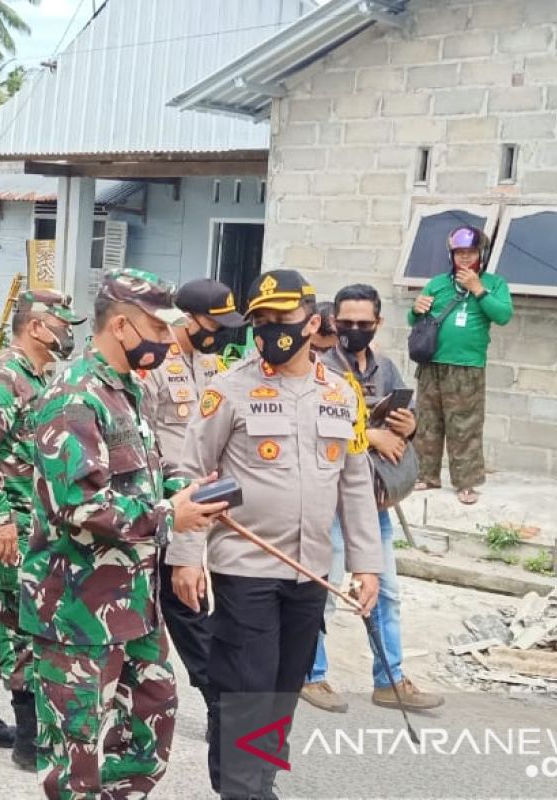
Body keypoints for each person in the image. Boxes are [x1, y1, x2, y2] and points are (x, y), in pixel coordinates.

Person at [167, 269, 382, 800]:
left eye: (279, 319)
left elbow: (355, 483)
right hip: (245, 565)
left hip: (310, 570)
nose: (268, 330)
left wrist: (366, 564)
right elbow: (195, 476)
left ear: (313, 322)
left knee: (283, 690)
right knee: (247, 686)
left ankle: (254, 779)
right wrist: (186, 556)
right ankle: (245, 790)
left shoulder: (341, 392)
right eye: (260, 320)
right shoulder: (229, 388)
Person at [22, 268, 228, 799]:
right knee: (77, 758)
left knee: (149, 735)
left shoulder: (124, 391)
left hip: (134, 606)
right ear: (121, 327)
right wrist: (168, 517)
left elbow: (145, 473)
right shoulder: (74, 398)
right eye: (158, 331)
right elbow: (78, 505)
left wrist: (189, 490)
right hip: (77, 614)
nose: (166, 341)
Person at [0, 290, 85, 770]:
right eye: (61, 324)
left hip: (17, 515)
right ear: (35, 327)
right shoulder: (0, 377)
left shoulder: (36, 375)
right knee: (25, 619)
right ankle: (32, 741)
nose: (69, 333)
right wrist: (1, 517)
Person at [301, 284, 444, 715]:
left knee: (385, 593)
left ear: (377, 324)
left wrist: (406, 426)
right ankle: (312, 674)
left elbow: (412, 420)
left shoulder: (386, 368)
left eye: (364, 324)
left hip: (373, 498)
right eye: (346, 323)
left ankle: (391, 680)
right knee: (321, 590)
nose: (354, 330)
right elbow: (313, 432)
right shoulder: (317, 369)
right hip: (329, 500)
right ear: (333, 323)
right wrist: (369, 436)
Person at [139, 278, 247, 711]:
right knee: (184, 601)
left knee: (189, 600)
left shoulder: (210, 364)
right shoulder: (153, 367)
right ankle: (218, 697)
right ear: (185, 318)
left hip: (201, 497)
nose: (220, 332)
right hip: (161, 502)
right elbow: (140, 439)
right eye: (213, 323)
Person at [409, 225, 513, 505]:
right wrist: (415, 309)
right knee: (428, 422)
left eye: (471, 253)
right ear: (451, 255)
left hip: (467, 366)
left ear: (481, 254)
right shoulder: (438, 283)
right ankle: (425, 475)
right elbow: (415, 322)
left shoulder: (495, 283)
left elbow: (503, 315)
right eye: (459, 253)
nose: (465, 259)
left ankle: (466, 483)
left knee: (465, 426)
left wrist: (478, 290)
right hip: (432, 364)